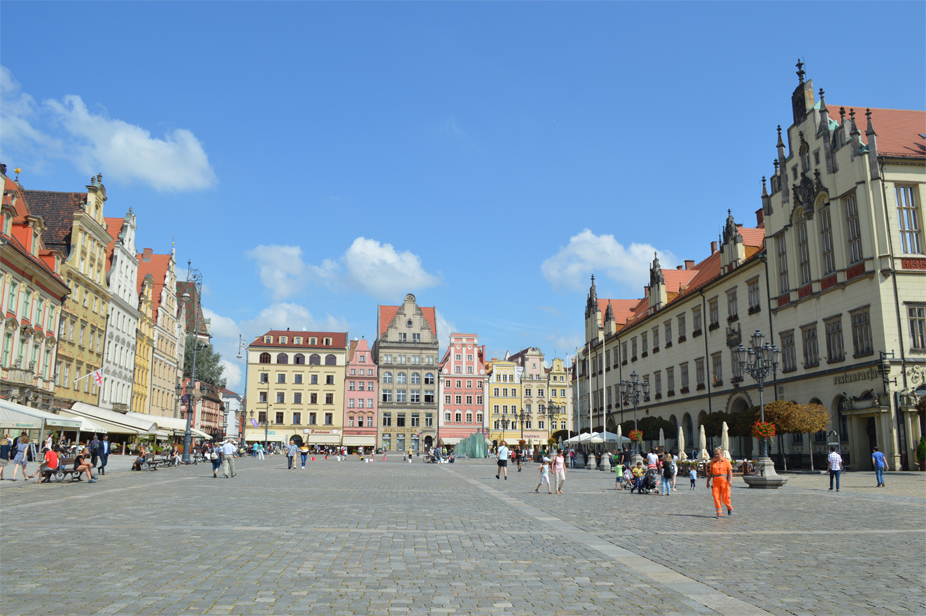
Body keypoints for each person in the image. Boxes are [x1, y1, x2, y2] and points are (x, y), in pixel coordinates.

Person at [706, 446, 733, 518]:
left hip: (725, 482)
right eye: (715, 454)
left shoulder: (726, 461)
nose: (716, 456)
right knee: (716, 497)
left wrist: (730, 480)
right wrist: (708, 482)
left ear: (721, 453)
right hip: (715, 482)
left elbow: (730, 471)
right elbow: (710, 473)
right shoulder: (713, 462)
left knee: (725, 498)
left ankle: (729, 506)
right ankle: (719, 513)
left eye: (718, 454)